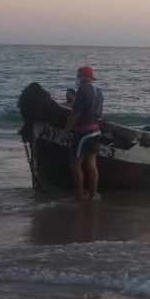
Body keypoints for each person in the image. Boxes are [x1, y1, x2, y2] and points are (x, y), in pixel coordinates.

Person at [66, 65, 104, 202]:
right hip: (96, 131)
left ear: (82, 77)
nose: (77, 79)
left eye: (78, 75)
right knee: (91, 164)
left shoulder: (82, 90)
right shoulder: (98, 91)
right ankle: (93, 195)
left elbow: (76, 113)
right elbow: (98, 113)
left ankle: (79, 196)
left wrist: (67, 129)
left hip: (83, 132)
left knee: (76, 164)